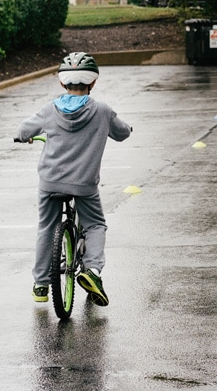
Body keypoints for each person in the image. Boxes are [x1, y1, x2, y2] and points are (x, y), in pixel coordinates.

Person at [15, 52, 132, 306]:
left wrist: (24, 137)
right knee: (95, 225)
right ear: (93, 82)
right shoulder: (102, 111)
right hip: (84, 184)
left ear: (61, 83)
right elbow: (122, 133)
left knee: (46, 226)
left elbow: (24, 130)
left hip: (50, 182)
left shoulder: (49, 110)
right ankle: (92, 271)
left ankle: (41, 285)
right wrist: (128, 128)